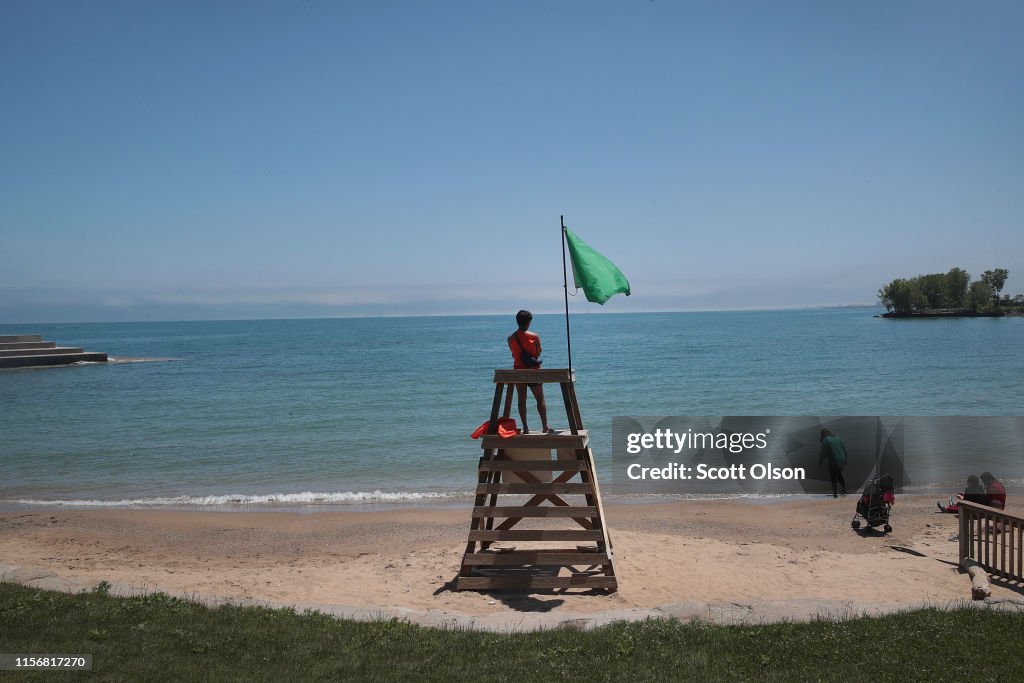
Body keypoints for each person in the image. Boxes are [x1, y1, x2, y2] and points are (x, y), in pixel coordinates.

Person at [507, 310, 550, 434]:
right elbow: (538, 353)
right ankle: (545, 427)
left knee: (521, 400)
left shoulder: (510, 338)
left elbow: (513, 354)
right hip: (533, 372)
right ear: (529, 322)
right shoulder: (534, 336)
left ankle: (525, 427)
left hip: (518, 372)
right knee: (540, 399)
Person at [819, 429, 848, 498]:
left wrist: (820, 462)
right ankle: (843, 490)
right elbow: (844, 450)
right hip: (842, 459)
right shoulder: (838, 438)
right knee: (839, 474)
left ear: (823, 434)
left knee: (833, 477)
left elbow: (823, 453)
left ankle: (835, 493)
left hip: (834, 460)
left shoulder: (825, 440)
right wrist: (846, 460)